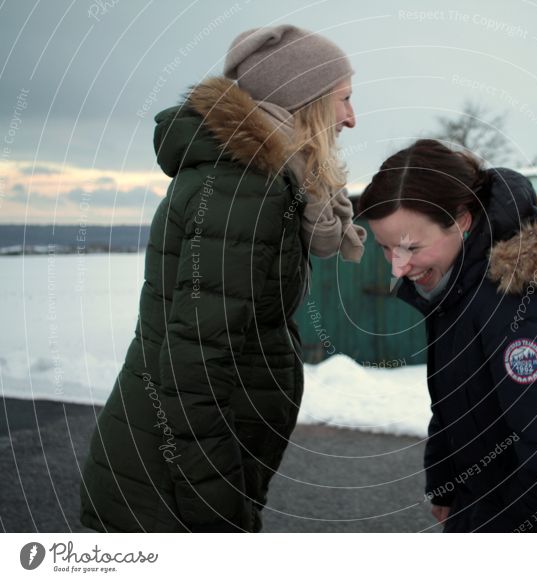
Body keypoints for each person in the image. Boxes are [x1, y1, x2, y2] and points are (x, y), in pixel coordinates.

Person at [80, 25, 364, 532]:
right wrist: (217, 512)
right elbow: (195, 371)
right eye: (343, 99)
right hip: (171, 491)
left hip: (171, 475)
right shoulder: (245, 193)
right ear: (305, 102)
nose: (351, 118)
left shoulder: (255, 181)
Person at [359, 139, 537, 532]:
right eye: (385, 248)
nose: (398, 267)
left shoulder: (521, 308)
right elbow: (455, 402)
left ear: (463, 221)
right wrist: (446, 489)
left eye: (411, 247)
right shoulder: (455, 287)